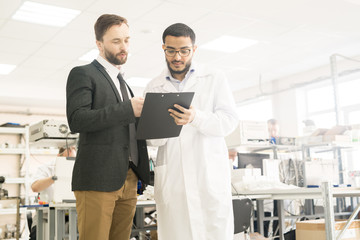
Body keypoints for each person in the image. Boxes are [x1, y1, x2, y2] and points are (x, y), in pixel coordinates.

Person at [144, 23, 238, 240]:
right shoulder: (153, 86)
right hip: (174, 181)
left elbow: (229, 121)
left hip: (208, 177)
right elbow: (151, 140)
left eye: (184, 51)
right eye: (171, 50)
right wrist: (162, 127)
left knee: (214, 233)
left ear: (193, 50)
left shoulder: (214, 78)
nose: (177, 57)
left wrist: (196, 118)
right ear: (163, 49)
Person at [66, 14, 150, 240]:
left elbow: (124, 128)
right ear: (99, 44)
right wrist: (128, 109)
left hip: (129, 178)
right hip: (98, 178)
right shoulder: (83, 74)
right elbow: (77, 119)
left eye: (127, 40)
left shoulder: (124, 83)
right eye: (116, 41)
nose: (124, 47)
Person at [29, 147, 76, 240]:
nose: (70, 163)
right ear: (59, 157)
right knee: (37, 236)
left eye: (73, 159)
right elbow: (35, 187)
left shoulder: (75, 170)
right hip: (45, 217)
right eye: (67, 159)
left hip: (69, 217)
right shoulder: (46, 169)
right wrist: (55, 177)